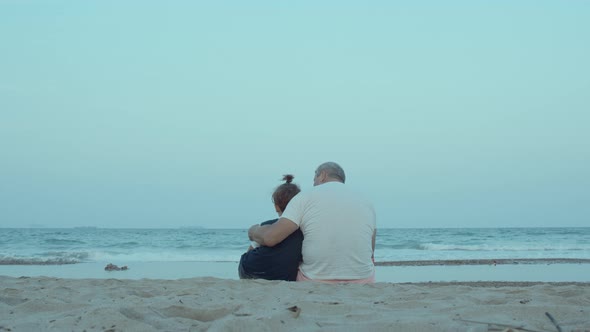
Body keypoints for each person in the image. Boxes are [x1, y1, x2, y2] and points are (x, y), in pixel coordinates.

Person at [248, 162, 376, 283]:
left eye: (314, 177)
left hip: (315, 280)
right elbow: (371, 249)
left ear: (323, 175)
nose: (313, 182)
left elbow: (271, 238)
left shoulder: (305, 197)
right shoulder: (366, 201)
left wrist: (253, 231)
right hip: (364, 280)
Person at [238, 175, 303, 281]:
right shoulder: (303, 230)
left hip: (250, 269)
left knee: (247, 257)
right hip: (283, 275)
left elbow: (251, 250)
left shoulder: (268, 226)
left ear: (276, 207)